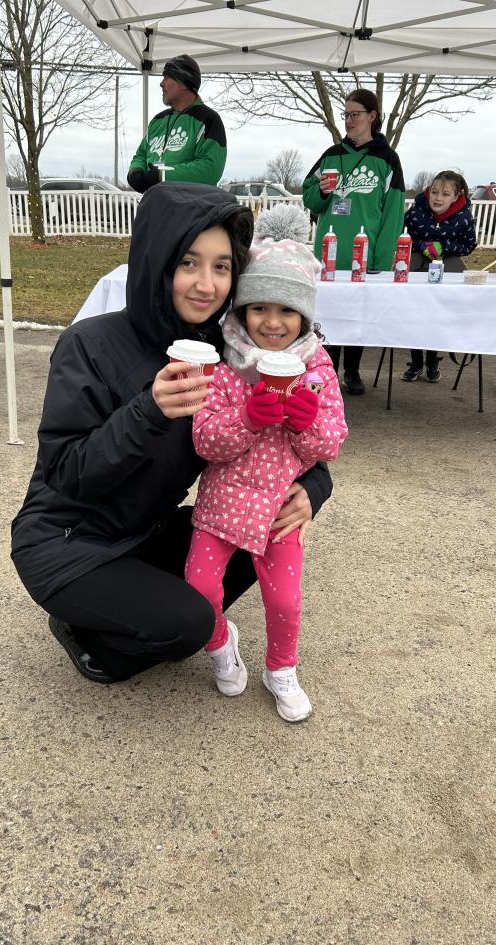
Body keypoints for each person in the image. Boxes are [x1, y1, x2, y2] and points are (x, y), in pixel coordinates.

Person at [10, 182, 333, 685]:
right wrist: (149, 412)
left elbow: (291, 440)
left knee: (259, 535)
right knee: (187, 628)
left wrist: (313, 489)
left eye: (222, 267)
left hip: (145, 530)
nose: (207, 284)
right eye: (188, 263)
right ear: (157, 262)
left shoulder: (230, 352)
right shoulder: (89, 345)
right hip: (68, 540)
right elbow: (68, 473)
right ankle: (82, 627)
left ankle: (131, 601)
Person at [184, 206, 348, 722]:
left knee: (285, 600)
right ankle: (219, 644)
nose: (271, 323)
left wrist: (306, 424)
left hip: (279, 508)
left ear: (304, 315)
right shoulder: (225, 362)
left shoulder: (316, 366)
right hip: (220, 504)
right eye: (258, 309)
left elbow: (330, 443)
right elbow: (206, 440)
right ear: (241, 311)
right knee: (200, 589)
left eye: (286, 311)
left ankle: (281, 668)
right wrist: (248, 418)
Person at [303, 88, 405, 396]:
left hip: (366, 253)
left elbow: (393, 214)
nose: (348, 120)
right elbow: (311, 200)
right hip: (328, 253)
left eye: (355, 114)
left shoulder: (386, 159)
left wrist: (382, 260)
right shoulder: (331, 155)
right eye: (345, 114)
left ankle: (353, 371)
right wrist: (320, 191)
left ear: (372, 117)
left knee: (356, 315)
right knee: (329, 315)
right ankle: (328, 370)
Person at [401, 170, 477, 383]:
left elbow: (469, 244)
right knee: (414, 311)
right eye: (434, 192)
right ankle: (416, 361)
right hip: (417, 263)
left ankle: (433, 359)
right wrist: (420, 245)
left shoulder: (463, 217)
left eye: (445, 194)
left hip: (446, 264)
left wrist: (444, 247)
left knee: (439, 312)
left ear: (456, 196)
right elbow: (401, 232)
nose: (438, 198)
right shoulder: (416, 212)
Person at [127, 55, 226, 193]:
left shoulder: (208, 119)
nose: (161, 83)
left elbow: (210, 169)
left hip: (191, 210)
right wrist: (135, 171)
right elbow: (141, 155)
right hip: (155, 207)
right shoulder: (158, 121)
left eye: (167, 77)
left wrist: (162, 175)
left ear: (184, 83)